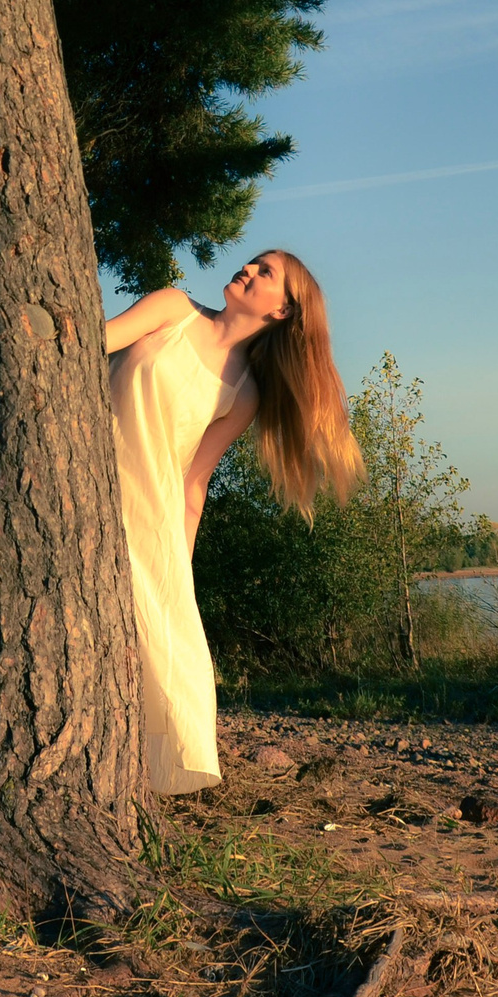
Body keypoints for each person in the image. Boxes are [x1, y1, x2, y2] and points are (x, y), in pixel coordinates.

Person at [103, 250, 363, 794]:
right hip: (80, 490)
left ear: (284, 311)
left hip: (147, 521)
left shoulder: (243, 392)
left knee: (175, 655)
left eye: (264, 272)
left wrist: (180, 564)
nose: (247, 270)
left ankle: (129, 775)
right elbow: (89, 345)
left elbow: (194, 481)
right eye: (252, 262)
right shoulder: (172, 309)